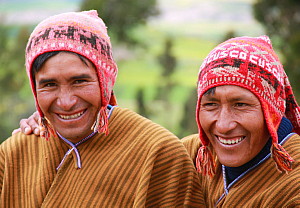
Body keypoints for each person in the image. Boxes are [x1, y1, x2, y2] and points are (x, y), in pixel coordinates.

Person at [0, 10, 205, 207]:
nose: (65, 102)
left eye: (79, 81)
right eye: (49, 85)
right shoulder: (14, 153)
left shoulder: (158, 153)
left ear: (104, 81)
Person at [182, 36, 300, 207]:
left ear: (272, 110)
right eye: (211, 105)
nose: (223, 125)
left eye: (240, 105)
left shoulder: (294, 186)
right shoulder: (190, 156)